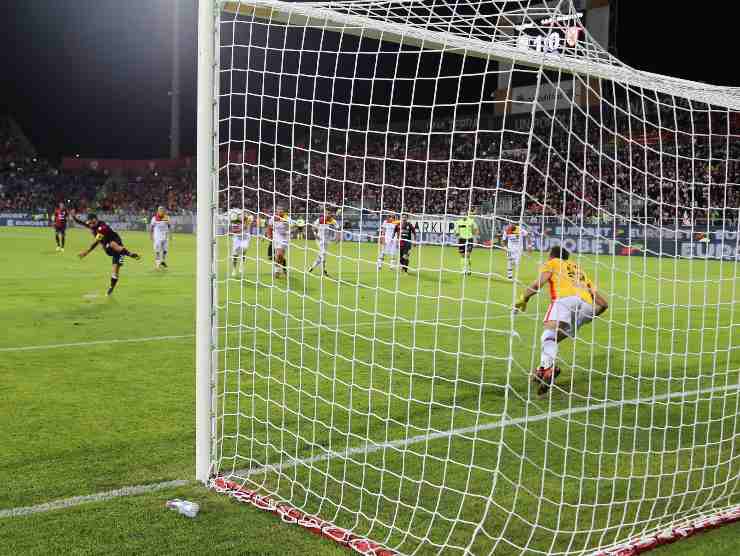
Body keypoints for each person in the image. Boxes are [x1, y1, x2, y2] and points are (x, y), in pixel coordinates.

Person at [514, 246, 608, 395]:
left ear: (552, 256)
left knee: (547, 336)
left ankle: (548, 368)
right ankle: (542, 370)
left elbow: (537, 284)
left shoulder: (553, 263)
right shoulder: (578, 270)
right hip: (588, 307)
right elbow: (604, 304)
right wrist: (590, 315)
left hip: (565, 300)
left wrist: (523, 298)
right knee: (553, 339)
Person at [73, 211, 141, 296]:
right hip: (108, 248)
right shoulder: (92, 224)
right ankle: (130, 254)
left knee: (115, 271)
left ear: (95, 220)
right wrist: (74, 217)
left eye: (91, 222)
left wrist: (86, 252)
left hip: (117, 245)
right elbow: (82, 223)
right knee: (110, 245)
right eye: (89, 223)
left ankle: (111, 287)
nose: (90, 224)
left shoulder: (102, 228)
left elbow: (96, 242)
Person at [308, 207, 337, 276]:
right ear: (324, 213)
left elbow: (338, 228)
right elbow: (313, 227)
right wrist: (315, 234)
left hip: (326, 241)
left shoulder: (332, 221)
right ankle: (324, 271)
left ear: (331, 214)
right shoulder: (320, 220)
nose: (327, 214)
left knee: (321, 256)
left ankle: (312, 267)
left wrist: (338, 237)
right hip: (319, 240)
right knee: (323, 254)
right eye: (326, 213)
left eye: (329, 213)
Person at [229, 209, 253, 276]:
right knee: (235, 255)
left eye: (244, 214)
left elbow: (251, 218)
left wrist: (246, 221)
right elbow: (233, 231)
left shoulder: (248, 220)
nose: (242, 216)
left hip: (245, 238)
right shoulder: (234, 222)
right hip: (237, 238)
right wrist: (242, 228)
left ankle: (241, 265)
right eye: (241, 215)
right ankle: (234, 269)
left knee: (244, 250)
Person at [270, 207, 291, 278]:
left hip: (285, 238)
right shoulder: (274, 217)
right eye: (278, 209)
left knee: (280, 255)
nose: (279, 211)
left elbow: (293, 226)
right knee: (278, 255)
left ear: (284, 211)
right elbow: (270, 226)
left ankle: (280, 269)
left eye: (281, 210)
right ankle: (277, 271)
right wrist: (269, 236)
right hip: (276, 238)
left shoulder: (287, 218)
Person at [149, 206, 171, 270]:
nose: (161, 211)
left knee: (165, 250)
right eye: (160, 210)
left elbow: (169, 226)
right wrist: (151, 235)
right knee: (157, 251)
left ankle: (163, 261)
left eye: (162, 210)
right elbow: (151, 227)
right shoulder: (154, 218)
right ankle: (157, 265)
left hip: (165, 237)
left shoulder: (167, 217)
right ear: (158, 211)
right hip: (157, 237)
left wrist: (170, 235)